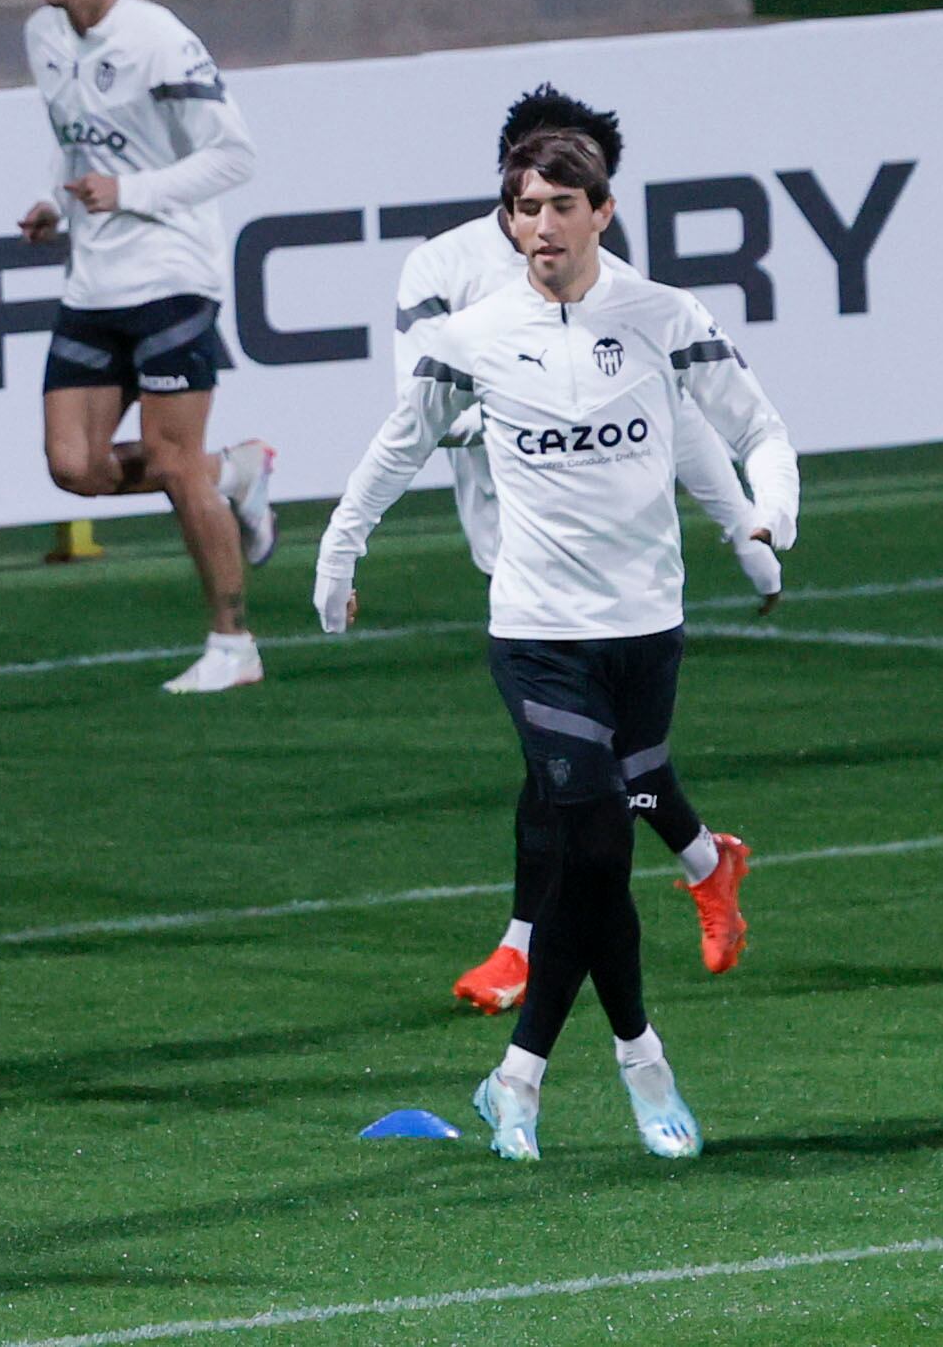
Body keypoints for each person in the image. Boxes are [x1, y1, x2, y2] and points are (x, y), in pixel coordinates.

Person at [315, 128, 800, 1163]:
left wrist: (771, 518)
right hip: (537, 633)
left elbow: (753, 428)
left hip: (645, 630)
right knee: (588, 838)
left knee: (595, 865)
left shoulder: (661, 317)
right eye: (523, 208)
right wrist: (337, 547)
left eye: (558, 206)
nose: (539, 226)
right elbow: (396, 444)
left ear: (600, 210)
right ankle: (642, 1064)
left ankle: (514, 1076)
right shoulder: (475, 334)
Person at [406, 86, 777, 1015]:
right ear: (513, 182)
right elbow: (418, 413)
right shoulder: (443, 270)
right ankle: (704, 860)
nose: (559, 217)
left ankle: (523, 951)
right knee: (609, 776)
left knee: (579, 781)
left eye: (582, 195)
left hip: (605, 576)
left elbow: (684, 423)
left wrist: (743, 528)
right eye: (541, 195)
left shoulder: (614, 291)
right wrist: (518, 400)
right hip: (517, 554)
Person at [18, 0, 281, 693]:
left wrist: (129, 195)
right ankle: (230, 472)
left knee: (171, 463)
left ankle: (233, 645)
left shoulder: (161, 42)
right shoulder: (42, 35)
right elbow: (77, 142)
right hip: (93, 282)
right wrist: (54, 203)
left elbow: (234, 156)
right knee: (74, 467)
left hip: (171, 276)